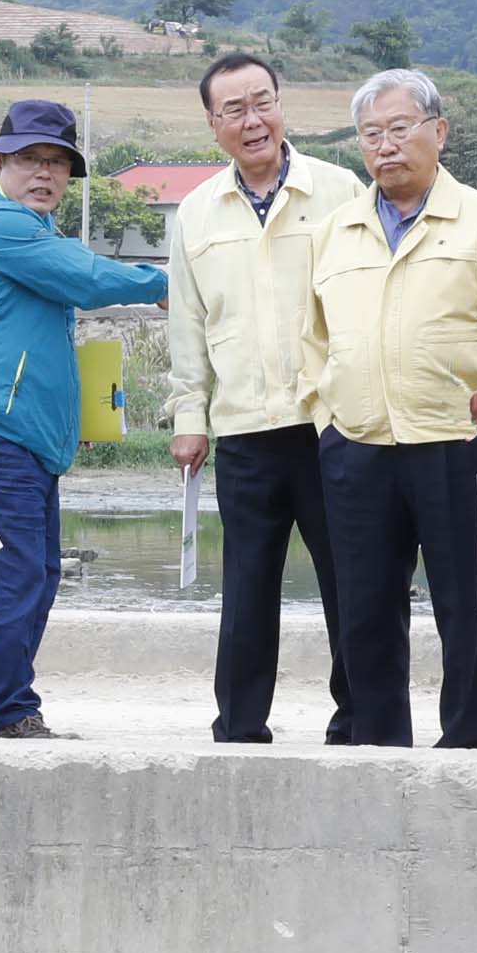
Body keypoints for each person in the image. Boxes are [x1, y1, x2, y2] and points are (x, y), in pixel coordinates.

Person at [304, 69, 477, 748]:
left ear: (438, 132)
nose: (385, 146)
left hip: (456, 442)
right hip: (356, 446)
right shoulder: (335, 231)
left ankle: (467, 743)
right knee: (365, 612)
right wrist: (325, 420)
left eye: (400, 128)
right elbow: (310, 340)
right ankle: (378, 746)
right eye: (370, 134)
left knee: (466, 608)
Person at [165, 53, 367, 744]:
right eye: (233, 109)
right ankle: (241, 726)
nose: (252, 121)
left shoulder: (339, 191)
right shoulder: (194, 213)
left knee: (350, 581)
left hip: (329, 425)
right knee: (247, 587)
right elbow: (187, 324)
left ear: (282, 106)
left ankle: (358, 719)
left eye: (262, 102)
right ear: (212, 124)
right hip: (245, 430)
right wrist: (189, 418)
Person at [0, 99, 167, 738]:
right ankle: (13, 712)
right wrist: (175, 279)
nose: (44, 173)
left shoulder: (35, 227)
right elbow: (89, 279)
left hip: (29, 440)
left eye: (57, 162)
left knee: (37, 575)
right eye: (29, 158)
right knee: (11, 578)